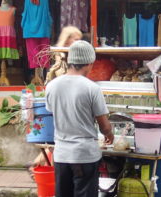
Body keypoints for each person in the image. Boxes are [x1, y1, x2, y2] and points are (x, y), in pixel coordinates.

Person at [45, 40, 114, 196]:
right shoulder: (92, 88)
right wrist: (110, 135)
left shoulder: (52, 86)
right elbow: (104, 126)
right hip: (85, 155)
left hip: (61, 155)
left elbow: (52, 112)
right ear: (90, 62)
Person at [26, 26, 83, 176]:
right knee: (58, 140)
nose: (78, 43)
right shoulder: (61, 61)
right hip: (62, 106)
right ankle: (38, 166)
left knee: (57, 141)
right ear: (67, 40)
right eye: (76, 40)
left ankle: (37, 165)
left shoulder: (68, 58)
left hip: (63, 105)